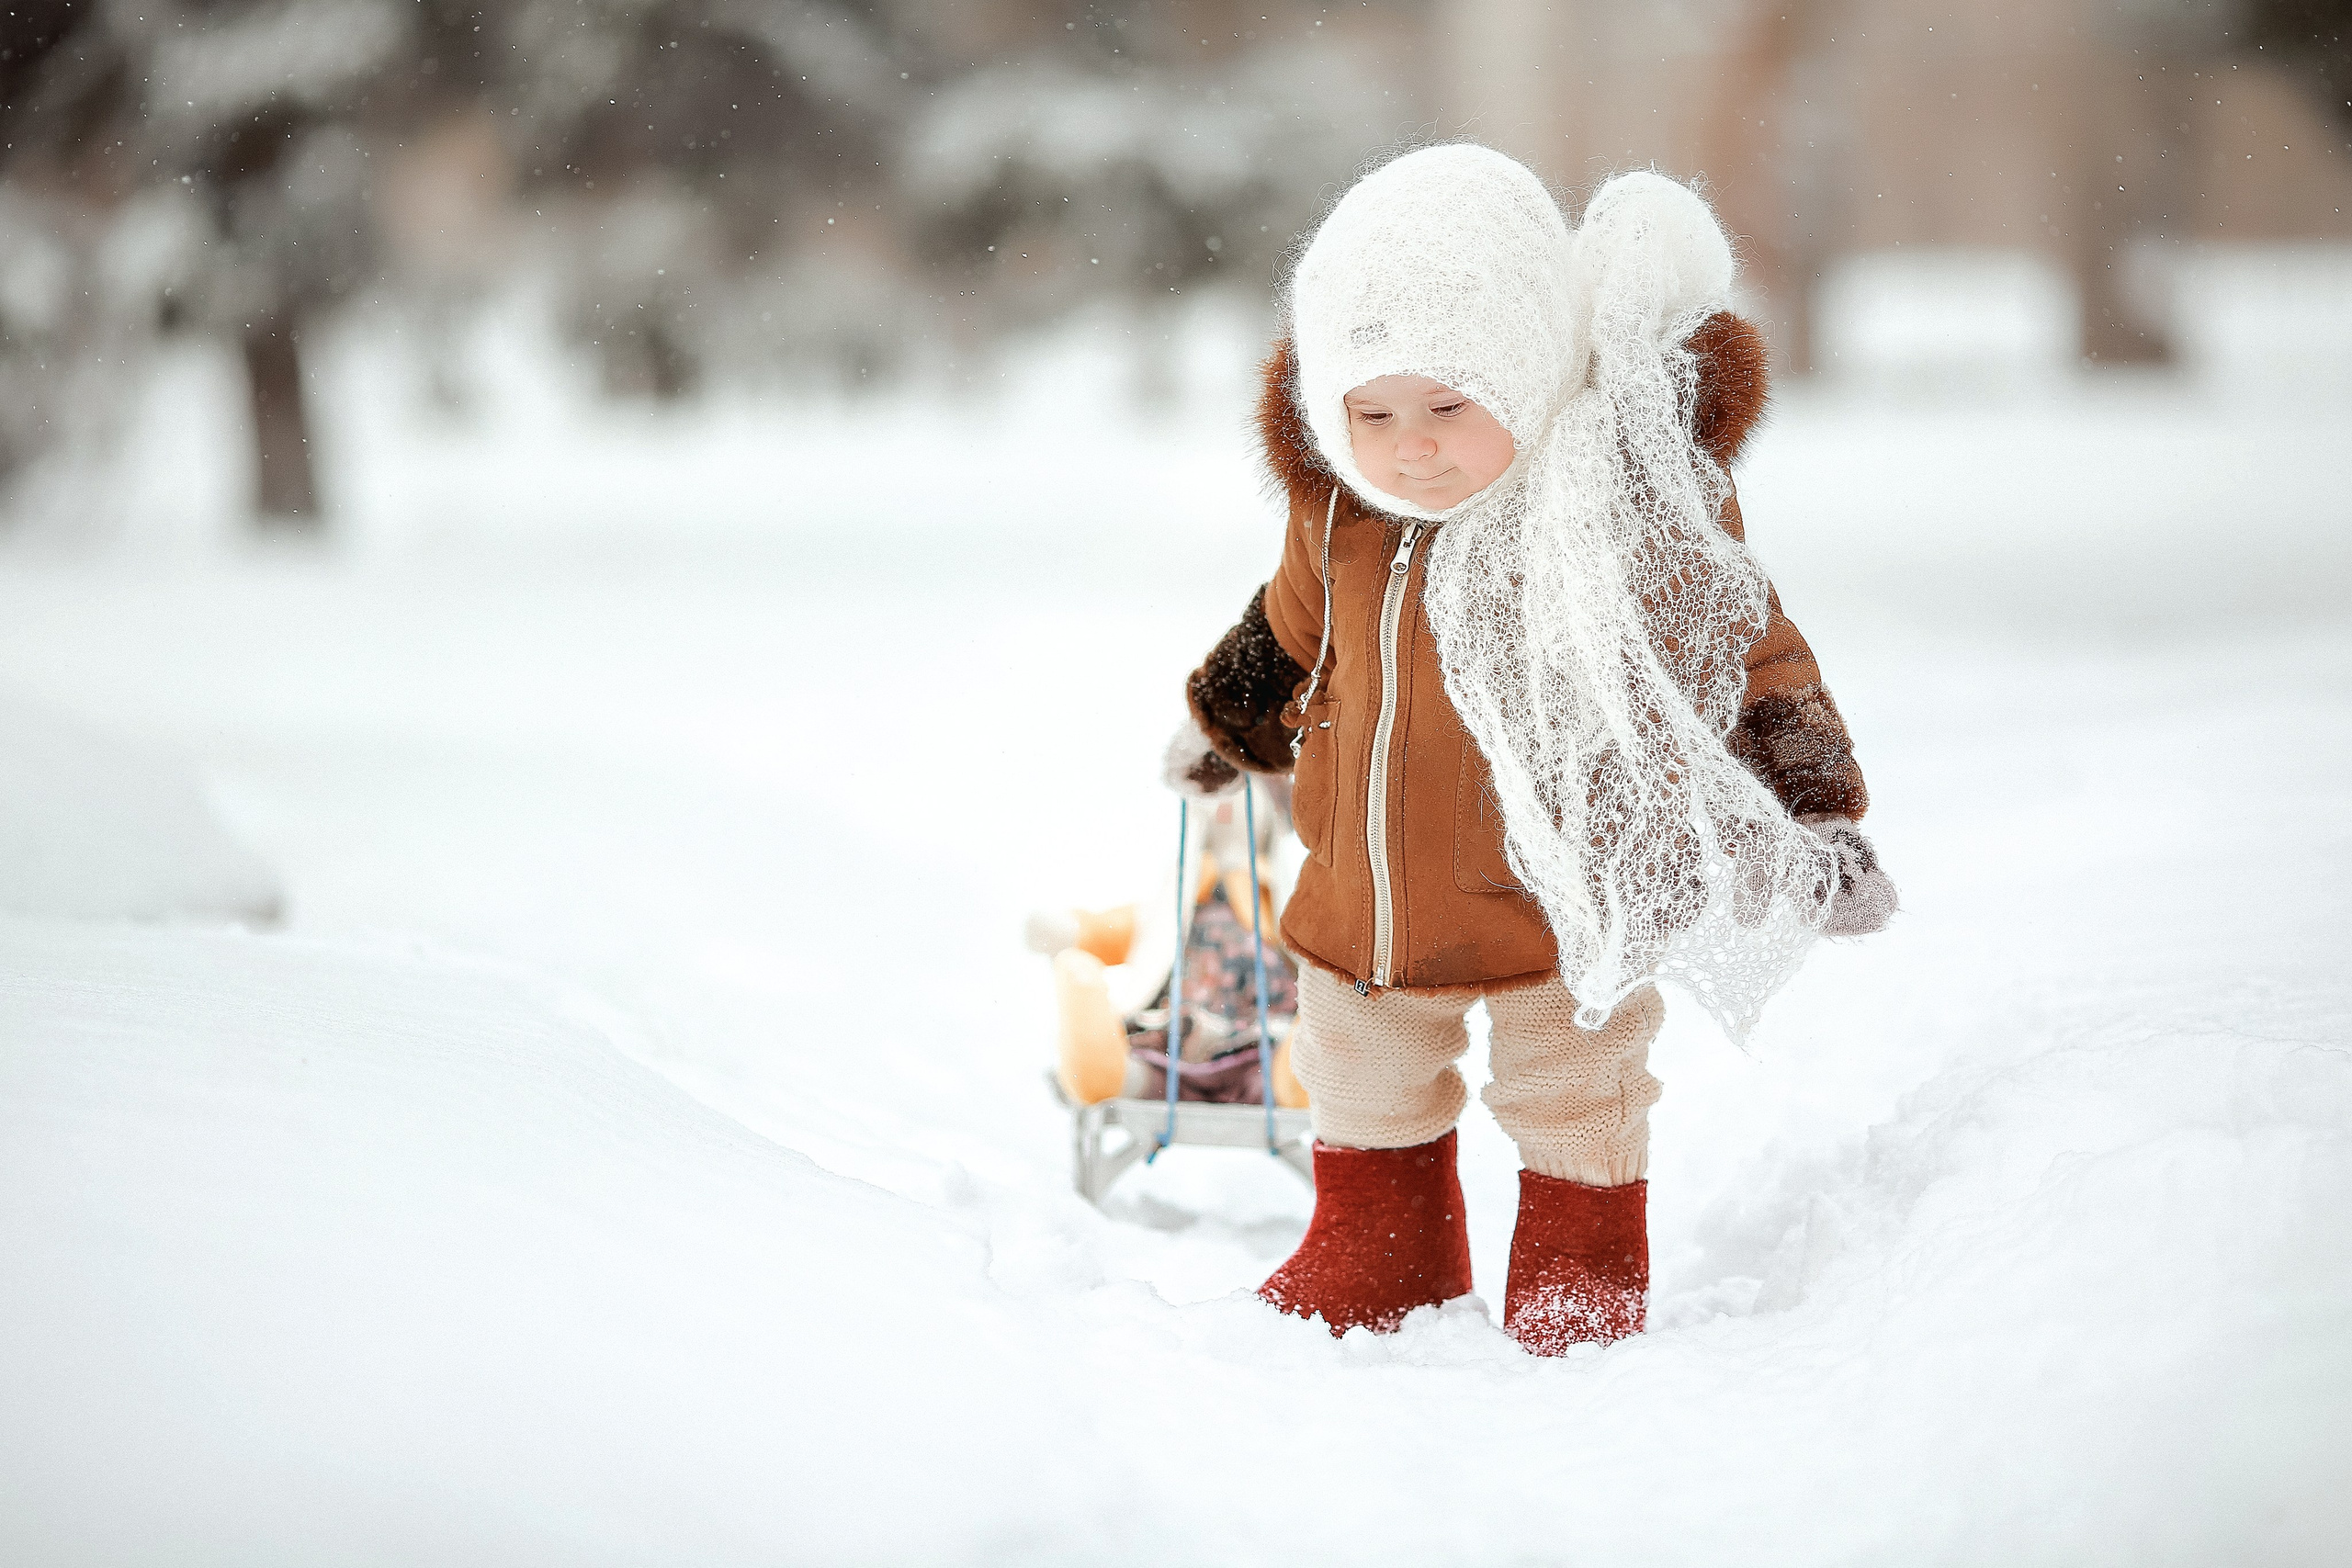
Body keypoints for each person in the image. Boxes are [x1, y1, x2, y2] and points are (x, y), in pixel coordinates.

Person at [1164, 145, 1897, 1353]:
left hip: (1568, 901)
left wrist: (1812, 797)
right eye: (1372, 412)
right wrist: (1224, 727)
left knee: (1578, 1091)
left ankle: (1581, 1265)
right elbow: (1290, 629)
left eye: (1450, 408)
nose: (1410, 447)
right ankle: (1381, 1253)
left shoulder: (1618, 506)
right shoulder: (1341, 510)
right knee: (1359, 1075)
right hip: (1369, 904)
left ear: (1526, 372)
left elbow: (1746, 636)